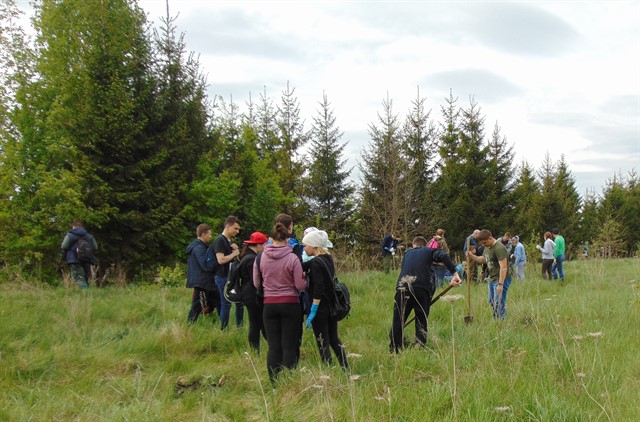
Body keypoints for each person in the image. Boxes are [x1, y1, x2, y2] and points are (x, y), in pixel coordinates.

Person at [254, 222, 306, 383]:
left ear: (270, 239)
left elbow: (256, 283)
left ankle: (274, 381)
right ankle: (289, 380)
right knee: (289, 344)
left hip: (269, 305)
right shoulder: (292, 258)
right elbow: (300, 285)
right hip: (290, 303)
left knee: (273, 345)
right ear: (287, 240)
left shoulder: (260, 257)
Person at [390, 236, 462, 353]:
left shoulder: (407, 253)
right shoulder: (429, 250)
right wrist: (455, 274)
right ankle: (419, 347)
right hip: (421, 288)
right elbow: (443, 256)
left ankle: (395, 349)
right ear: (424, 245)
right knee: (421, 318)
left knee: (398, 319)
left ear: (414, 245)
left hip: (402, 287)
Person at [302, 229, 349, 369]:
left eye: (306, 245)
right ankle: (345, 366)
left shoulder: (316, 263)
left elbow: (318, 287)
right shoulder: (327, 259)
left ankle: (329, 370)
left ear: (314, 246)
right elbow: (304, 266)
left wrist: (313, 310)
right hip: (331, 306)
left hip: (320, 307)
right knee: (334, 338)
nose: (304, 248)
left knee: (322, 341)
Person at [466, 230, 512, 319]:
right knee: (491, 301)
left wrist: (500, 284)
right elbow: (484, 259)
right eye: (482, 244)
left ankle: (500, 322)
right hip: (492, 278)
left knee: (498, 302)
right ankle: (498, 316)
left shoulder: (499, 248)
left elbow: (504, 267)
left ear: (490, 238)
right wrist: (472, 256)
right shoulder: (487, 247)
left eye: (485, 243)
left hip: (501, 279)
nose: (483, 245)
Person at [237, 231, 268, 353]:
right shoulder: (251, 260)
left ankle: (271, 347)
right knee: (255, 324)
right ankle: (255, 351)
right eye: (265, 244)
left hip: (248, 293)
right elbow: (255, 279)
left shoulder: (246, 256)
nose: (266, 247)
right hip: (251, 295)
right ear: (259, 245)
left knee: (260, 323)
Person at [186, 224, 220, 323]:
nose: (211, 236)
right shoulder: (198, 248)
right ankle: (189, 325)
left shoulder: (202, 246)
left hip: (205, 281)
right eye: (209, 234)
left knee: (217, 301)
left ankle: (219, 322)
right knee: (197, 305)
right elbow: (205, 264)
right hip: (201, 282)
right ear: (203, 234)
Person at [213, 215, 242, 330]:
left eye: (238, 229)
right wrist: (234, 254)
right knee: (226, 303)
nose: (237, 231)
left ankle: (240, 327)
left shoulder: (229, 241)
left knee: (239, 301)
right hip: (222, 276)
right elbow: (220, 260)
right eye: (235, 228)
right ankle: (224, 329)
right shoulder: (220, 240)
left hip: (231, 275)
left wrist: (234, 250)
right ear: (227, 226)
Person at [61, 219, 98, 289]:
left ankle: (85, 293)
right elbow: (95, 247)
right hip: (87, 259)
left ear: (73, 226)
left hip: (74, 259)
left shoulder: (70, 235)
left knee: (78, 277)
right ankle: (85, 294)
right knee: (85, 277)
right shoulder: (89, 236)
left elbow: (64, 246)